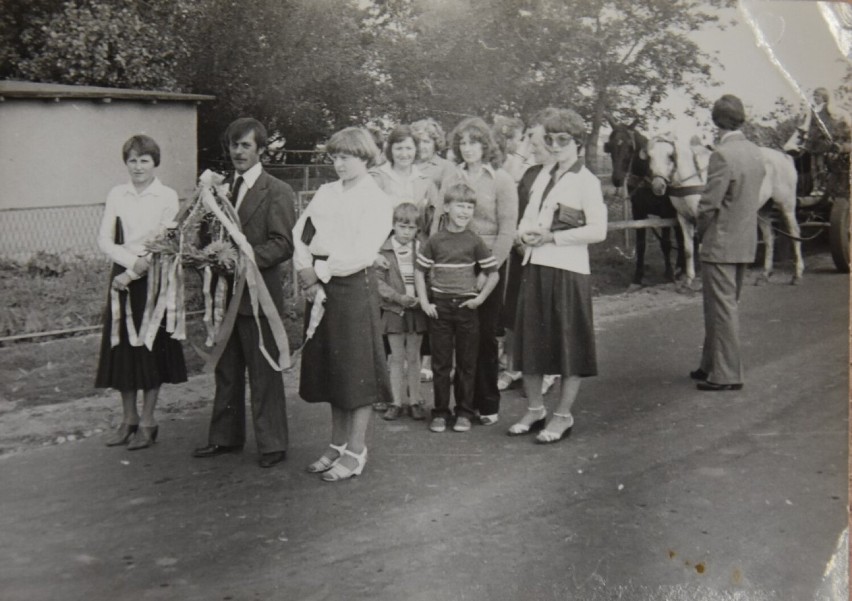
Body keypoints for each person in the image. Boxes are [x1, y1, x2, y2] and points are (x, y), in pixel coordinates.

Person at [192, 117, 296, 468]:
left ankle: (272, 444)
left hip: (258, 297)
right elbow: (208, 238)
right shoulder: (218, 191)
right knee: (227, 368)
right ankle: (225, 438)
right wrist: (205, 255)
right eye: (234, 145)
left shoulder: (276, 190)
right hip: (224, 297)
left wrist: (242, 260)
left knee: (263, 371)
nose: (238, 151)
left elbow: (282, 245)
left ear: (261, 150)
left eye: (246, 145)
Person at [294, 126, 393, 481]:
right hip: (321, 285)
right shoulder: (325, 193)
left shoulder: (376, 199)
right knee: (333, 370)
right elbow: (301, 232)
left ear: (365, 157)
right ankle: (336, 445)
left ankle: (356, 449)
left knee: (356, 371)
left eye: (346, 157)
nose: (339, 163)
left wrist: (319, 272)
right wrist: (305, 269)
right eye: (335, 157)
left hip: (351, 286)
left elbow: (362, 252)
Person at [509, 108, 607, 443]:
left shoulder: (587, 181)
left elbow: (598, 230)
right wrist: (526, 234)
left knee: (569, 346)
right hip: (536, 269)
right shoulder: (541, 175)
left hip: (568, 273)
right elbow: (527, 218)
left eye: (562, 140)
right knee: (531, 344)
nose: (554, 146)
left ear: (578, 143)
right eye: (549, 139)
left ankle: (563, 415)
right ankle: (536, 409)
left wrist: (554, 237)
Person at [96, 135, 187, 450]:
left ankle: (148, 421)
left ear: (154, 163)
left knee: (150, 349)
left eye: (144, 160)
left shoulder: (167, 196)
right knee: (123, 349)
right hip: (122, 278)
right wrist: (128, 266)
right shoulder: (116, 194)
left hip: (153, 279)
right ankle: (128, 419)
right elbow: (105, 240)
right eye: (132, 160)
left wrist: (138, 269)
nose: (138, 167)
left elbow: (167, 240)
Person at [434, 116, 518, 425]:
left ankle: (487, 402)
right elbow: (438, 223)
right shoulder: (451, 177)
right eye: (462, 143)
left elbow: (508, 229)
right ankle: (459, 406)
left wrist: (487, 273)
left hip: (489, 264)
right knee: (456, 337)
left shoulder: (501, 180)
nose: (468, 149)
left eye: (474, 142)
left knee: (483, 336)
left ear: (486, 145)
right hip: (454, 264)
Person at [691, 94, 766, 392]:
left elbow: (709, 205)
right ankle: (709, 365)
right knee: (721, 307)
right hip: (745, 241)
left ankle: (726, 375)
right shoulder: (755, 152)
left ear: (716, 121)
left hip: (720, 244)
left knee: (721, 310)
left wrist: (700, 232)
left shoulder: (722, 155)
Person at [416, 183, 500, 433]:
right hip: (439, 309)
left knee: (466, 363)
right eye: (460, 206)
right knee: (441, 364)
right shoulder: (435, 240)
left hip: (466, 309)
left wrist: (479, 299)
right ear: (447, 207)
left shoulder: (474, 241)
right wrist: (424, 301)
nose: (465, 211)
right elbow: (420, 272)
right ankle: (440, 412)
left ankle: (464, 412)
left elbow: (493, 274)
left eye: (469, 207)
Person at [376, 202, 429, 421]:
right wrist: (399, 298)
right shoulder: (384, 250)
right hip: (393, 310)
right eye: (402, 226)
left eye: (411, 228)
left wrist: (421, 300)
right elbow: (378, 282)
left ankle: (415, 401)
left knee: (414, 357)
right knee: (396, 358)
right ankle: (395, 402)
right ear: (393, 226)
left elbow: (428, 276)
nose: (406, 232)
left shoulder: (422, 249)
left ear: (417, 229)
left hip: (416, 310)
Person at [371, 124, 440, 228]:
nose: (404, 154)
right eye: (399, 148)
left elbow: (434, 221)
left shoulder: (426, 182)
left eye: (409, 148)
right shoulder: (376, 177)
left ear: (416, 149)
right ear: (390, 150)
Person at [412, 118, 456, 190]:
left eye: (426, 142)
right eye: (417, 142)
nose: (421, 146)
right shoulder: (407, 164)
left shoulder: (446, 167)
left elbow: (450, 197)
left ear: (435, 143)